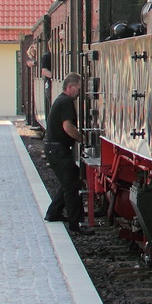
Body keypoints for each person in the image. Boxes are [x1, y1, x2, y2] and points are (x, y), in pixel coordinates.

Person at [43, 72, 94, 236]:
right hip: (58, 150)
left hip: (54, 149)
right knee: (72, 186)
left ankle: (53, 213)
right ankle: (76, 224)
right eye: (78, 89)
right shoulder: (66, 102)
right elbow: (68, 127)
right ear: (70, 87)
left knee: (69, 182)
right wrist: (82, 139)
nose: (79, 93)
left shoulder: (60, 100)